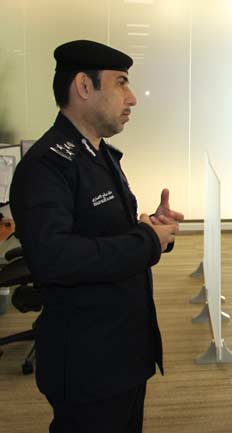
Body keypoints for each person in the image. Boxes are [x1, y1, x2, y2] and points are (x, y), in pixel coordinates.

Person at [9, 40, 183, 433]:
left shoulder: (99, 154)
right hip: (88, 364)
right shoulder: (47, 166)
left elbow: (105, 232)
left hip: (123, 351)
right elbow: (54, 257)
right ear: (84, 87)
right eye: (121, 83)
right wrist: (145, 241)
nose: (132, 97)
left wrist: (152, 229)